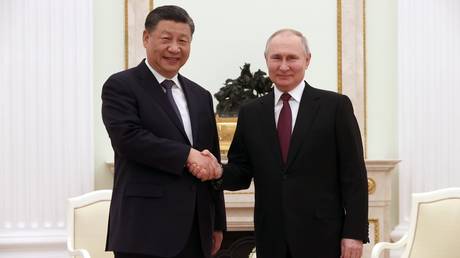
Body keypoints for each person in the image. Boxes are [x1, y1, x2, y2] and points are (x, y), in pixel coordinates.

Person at [190, 29, 369, 258]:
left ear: (307, 60)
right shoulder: (251, 112)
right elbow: (242, 173)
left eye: (291, 58)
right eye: (276, 58)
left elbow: (354, 175)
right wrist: (217, 171)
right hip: (271, 238)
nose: (283, 66)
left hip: (324, 237)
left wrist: (354, 233)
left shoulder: (335, 107)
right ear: (267, 61)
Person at [101, 5, 226, 258]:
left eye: (183, 41)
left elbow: (210, 156)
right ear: (146, 38)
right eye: (166, 39)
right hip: (144, 230)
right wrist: (187, 155)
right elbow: (128, 139)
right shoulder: (121, 85)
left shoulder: (201, 96)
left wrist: (217, 223)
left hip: (196, 230)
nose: (175, 48)